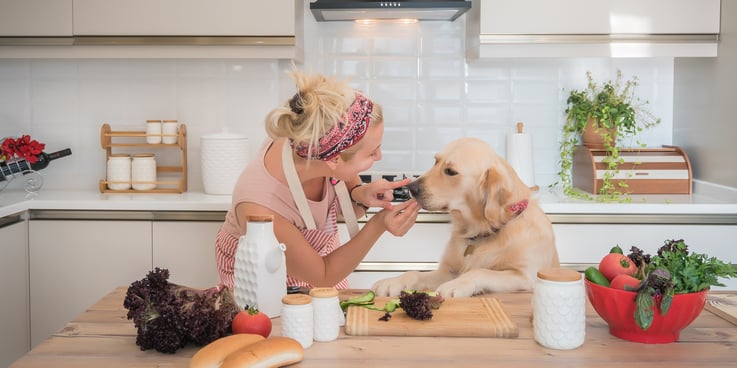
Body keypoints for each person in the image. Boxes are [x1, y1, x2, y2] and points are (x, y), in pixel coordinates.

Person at [215, 69, 421, 289]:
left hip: (317, 263)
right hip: (262, 276)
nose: (379, 157)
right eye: (372, 153)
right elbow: (324, 275)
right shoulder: (260, 210)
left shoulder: (310, 136)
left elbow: (344, 170)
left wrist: (359, 193)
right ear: (334, 160)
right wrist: (379, 224)